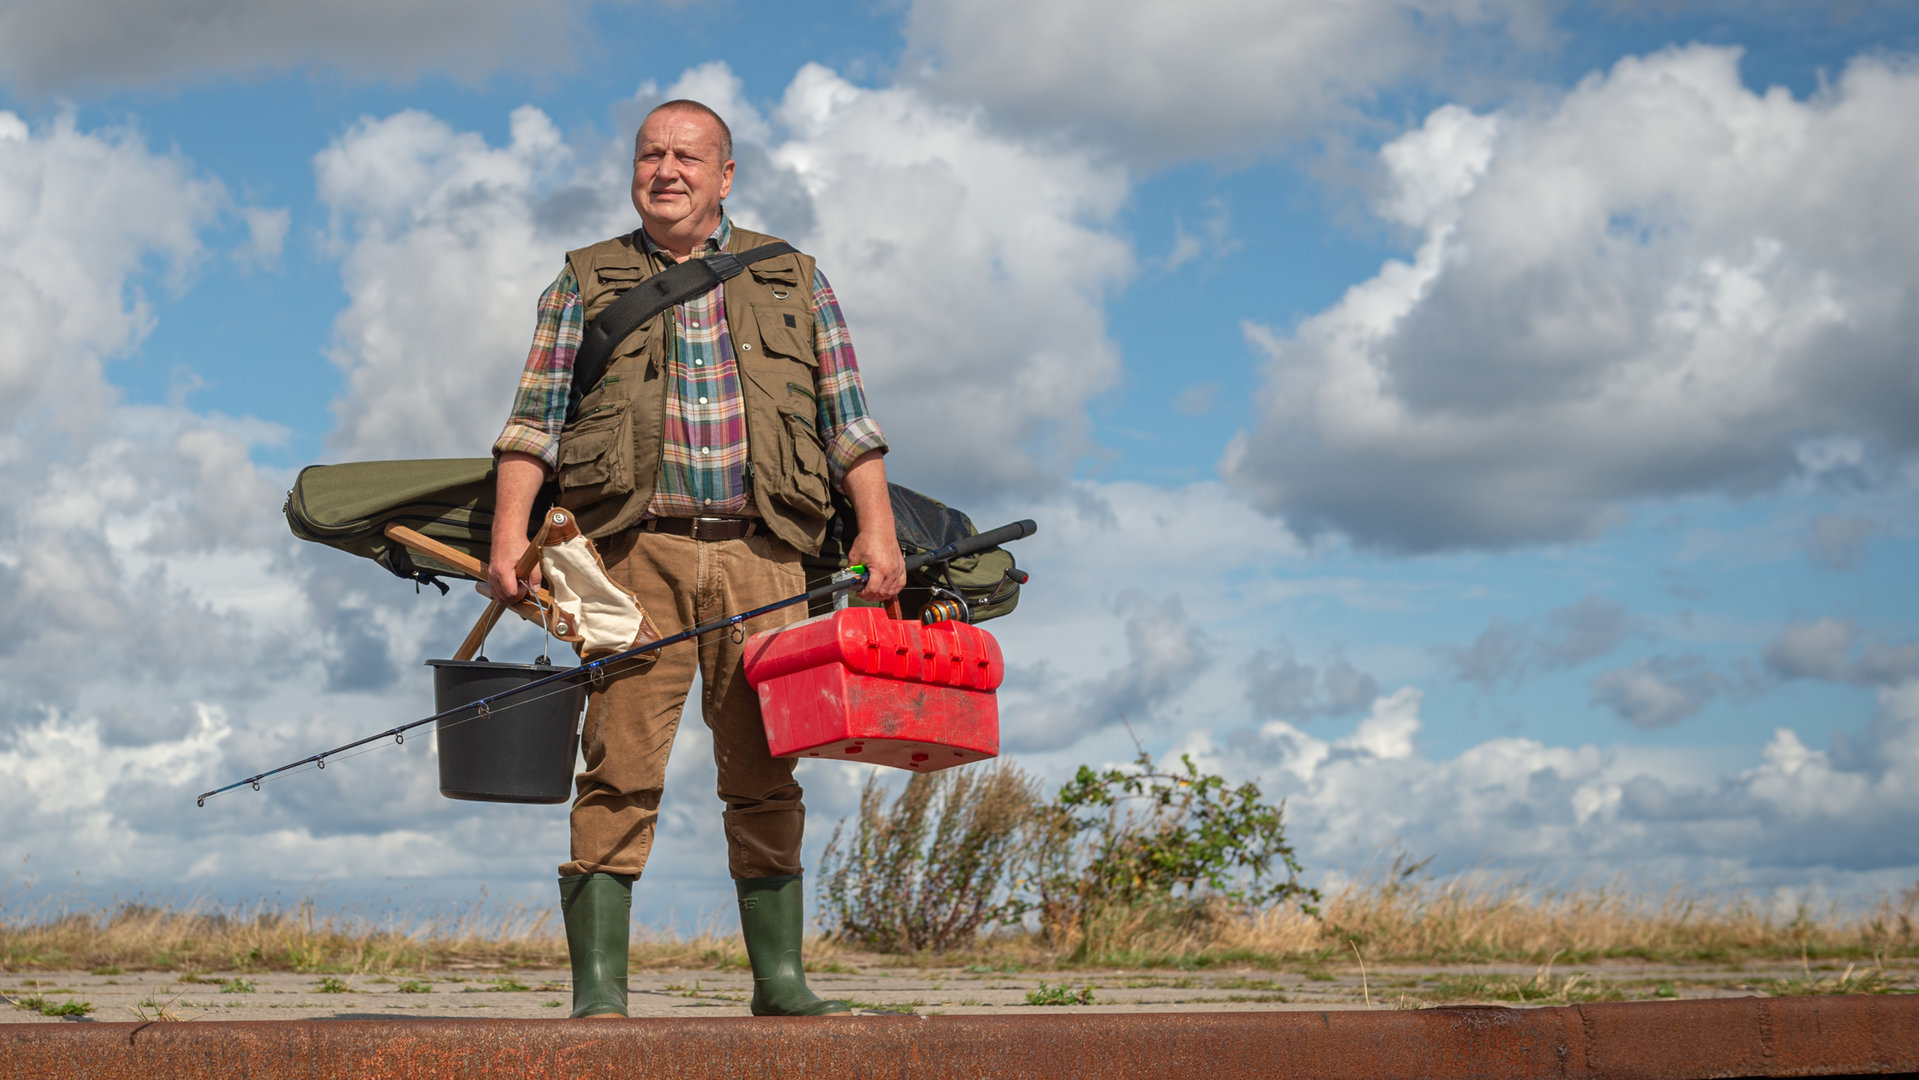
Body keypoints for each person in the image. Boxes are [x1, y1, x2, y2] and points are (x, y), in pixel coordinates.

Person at [487, 98, 906, 1019]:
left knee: (765, 773)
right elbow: (531, 426)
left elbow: (851, 424)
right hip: (629, 560)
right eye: (649, 154)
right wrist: (506, 540)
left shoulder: (795, 277)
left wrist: (876, 529)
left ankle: (780, 982)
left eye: (687, 156)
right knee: (617, 770)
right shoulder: (582, 281)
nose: (665, 170)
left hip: (768, 563)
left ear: (725, 176)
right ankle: (600, 995)